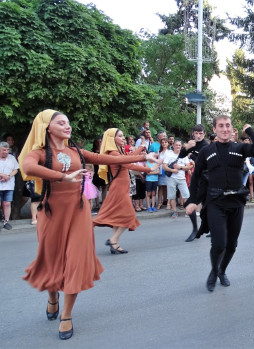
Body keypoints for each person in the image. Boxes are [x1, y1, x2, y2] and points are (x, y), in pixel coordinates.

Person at [19, 110, 157, 340]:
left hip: (78, 212)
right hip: (51, 213)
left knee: (76, 261)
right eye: (61, 122)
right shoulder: (39, 153)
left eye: (68, 122)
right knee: (52, 261)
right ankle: (53, 297)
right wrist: (63, 177)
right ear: (47, 128)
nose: (67, 125)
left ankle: (66, 315)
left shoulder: (76, 151)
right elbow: (28, 167)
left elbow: (109, 159)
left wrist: (141, 158)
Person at [184, 116, 254, 292]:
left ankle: (222, 270)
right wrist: (193, 201)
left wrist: (249, 130)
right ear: (214, 129)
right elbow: (197, 177)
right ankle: (214, 271)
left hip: (236, 202)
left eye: (228, 125)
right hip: (216, 202)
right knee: (219, 244)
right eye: (221, 126)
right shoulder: (207, 151)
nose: (225, 129)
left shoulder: (240, 148)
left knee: (232, 245)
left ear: (232, 128)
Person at [93, 128, 157, 254]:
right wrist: (149, 169)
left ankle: (115, 244)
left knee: (118, 216)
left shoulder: (118, 152)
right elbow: (129, 164)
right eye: (120, 136)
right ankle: (113, 240)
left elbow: (128, 158)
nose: (123, 138)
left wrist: (140, 148)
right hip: (119, 188)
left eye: (123, 136)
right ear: (113, 139)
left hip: (121, 186)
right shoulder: (113, 153)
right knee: (129, 216)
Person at [179, 124, 209, 242]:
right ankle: (195, 229)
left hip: (207, 178)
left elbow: (203, 162)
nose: (198, 135)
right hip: (196, 178)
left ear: (204, 134)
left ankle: (212, 227)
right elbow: (181, 156)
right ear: (193, 134)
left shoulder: (206, 146)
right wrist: (186, 148)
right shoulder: (192, 144)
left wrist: (193, 156)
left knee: (209, 205)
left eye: (200, 133)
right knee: (189, 204)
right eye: (196, 133)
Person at [163, 140, 191, 219]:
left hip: (181, 178)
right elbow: (164, 166)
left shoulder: (184, 156)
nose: (178, 146)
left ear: (181, 146)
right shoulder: (169, 155)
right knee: (172, 196)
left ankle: (187, 211)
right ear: (173, 146)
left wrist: (180, 167)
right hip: (171, 178)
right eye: (176, 145)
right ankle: (174, 211)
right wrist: (172, 170)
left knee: (186, 195)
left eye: (179, 145)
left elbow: (188, 167)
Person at [0, 141, 20, 230]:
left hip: (9, 184)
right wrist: (2, 175)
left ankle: (6, 221)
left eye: (7, 150)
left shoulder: (12, 158)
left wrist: (8, 176)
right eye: (4, 150)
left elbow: (16, 169)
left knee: (7, 203)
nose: (6, 152)